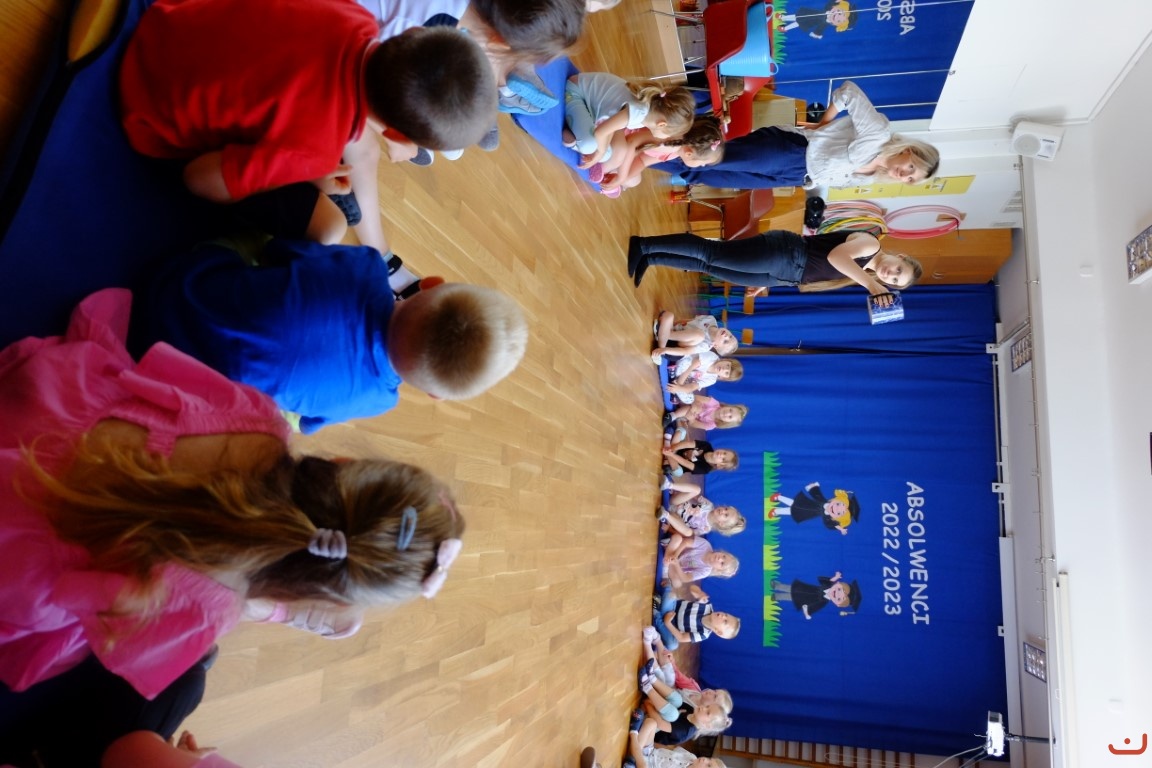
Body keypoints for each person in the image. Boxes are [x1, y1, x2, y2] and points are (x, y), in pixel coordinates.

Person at [0, 288, 467, 705]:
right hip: (14, 568)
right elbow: (117, 630)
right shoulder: (207, 612)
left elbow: (155, 384)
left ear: (344, 466)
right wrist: (280, 610)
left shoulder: (257, 418)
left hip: (44, 406)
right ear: (323, 584)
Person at [118, 0, 497, 274]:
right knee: (329, 228)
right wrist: (297, 173)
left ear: (413, 32)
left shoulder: (355, 15)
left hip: (163, 21)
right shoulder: (313, 151)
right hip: (147, 112)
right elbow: (199, 179)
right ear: (396, 135)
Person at [131, 237, 528, 434]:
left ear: (430, 283)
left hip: (172, 286)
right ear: (433, 394)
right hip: (161, 380)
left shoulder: (366, 267)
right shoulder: (376, 401)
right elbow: (308, 424)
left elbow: (281, 249)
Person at [653, 80, 939, 190]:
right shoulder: (879, 134)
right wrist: (824, 123)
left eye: (910, 179)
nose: (904, 174)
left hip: (793, 176)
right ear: (909, 151)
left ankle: (645, 156)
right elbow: (849, 92)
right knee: (706, 157)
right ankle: (644, 142)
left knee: (704, 175)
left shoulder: (871, 176)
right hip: (791, 151)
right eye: (911, 168)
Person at [629, 230, 923, 305]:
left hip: (785, 273)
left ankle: (651, 258)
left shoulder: (863, 271)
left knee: (709, 265)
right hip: (785, 253)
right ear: (899, 256)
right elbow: (836, 258)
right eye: (898, 270)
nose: (891, 275)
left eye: (895, 281)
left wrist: (767, 283)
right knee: (712, 252)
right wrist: (871, 285)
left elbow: (815, 274)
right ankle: (644, 244)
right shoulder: (871, 245)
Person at [563, 74, 696, 182]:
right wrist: (599, 152)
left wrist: (601, 153)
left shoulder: (646, 114)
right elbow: (600, 132)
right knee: (589, 146)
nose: (666, 137)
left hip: (592, 109)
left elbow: (609, 126)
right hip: (575, 92)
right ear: (662, 124)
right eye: (668, 134)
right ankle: (573, 138)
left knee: (606, 154)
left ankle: (577, 132)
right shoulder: (638, 112)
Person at [597, 115, 726, 198]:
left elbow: (642, 161)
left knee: (634, 181)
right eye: (703, 163)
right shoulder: (668, 140)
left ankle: (607, 172)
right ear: (689, 153)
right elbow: (631, 141)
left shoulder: (675, 151)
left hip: (626, 148)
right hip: (617, 132)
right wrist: (621, 176)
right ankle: (600, 169)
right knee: (619, 158)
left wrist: (624, 177)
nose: (702, 166)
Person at [654, 585, 740, 650]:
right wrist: (699, 593)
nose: (723, 615)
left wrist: (668, 623)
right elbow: (692, 587)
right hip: (672, 608)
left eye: (725, 621)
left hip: (671, 626)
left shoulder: (703, 634)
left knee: (672, 645)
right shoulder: (706, 605)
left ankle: (657, 615)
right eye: (726, 614)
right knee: (671, 595)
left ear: (718, 631)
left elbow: (681, 637)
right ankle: (660, 607)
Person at [769, 482, 859, 535]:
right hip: (806, 504)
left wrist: (841, 529)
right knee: (794, 504)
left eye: (839, 513)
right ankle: (778, 498)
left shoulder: (827, 517)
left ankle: (776, 510)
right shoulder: (824, 502)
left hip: (808, 514)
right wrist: (813, 487)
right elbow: (817, 495)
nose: (836, 509)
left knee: (793, 511)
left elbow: (833, 524)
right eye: (838, 504)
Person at [651, 311, 738, 365]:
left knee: (699, 335)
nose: (727, 336)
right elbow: (689, 321)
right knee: (669, 315)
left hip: (674, 348)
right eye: (730, 336)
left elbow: (685, 351)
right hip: (674, 331)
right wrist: (672, 324)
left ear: (715, 346)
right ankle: (662, 334)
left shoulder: (706, 346)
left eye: (725, 341)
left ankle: (661, 343)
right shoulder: (711, 319)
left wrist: (665, 350)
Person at [771, 572, 862, 618]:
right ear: (838, 583)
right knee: (792, 588)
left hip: (805, 599)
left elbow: (815, 607)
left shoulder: (824, 601)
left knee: (792, 597)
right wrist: (835, 577)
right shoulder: (827, 586)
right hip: (805, 588)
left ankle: (777, 597)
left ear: (837, 604)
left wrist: (807, 613)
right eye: (839, 589)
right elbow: (823, 580)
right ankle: (777, 586)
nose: (836, 593)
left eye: (839, 598)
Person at [662, 533, 739, 587]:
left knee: (677, 583)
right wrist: (675, 556)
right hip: (674, 552)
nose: (720, 558)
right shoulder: (706, 545)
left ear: (718, 570)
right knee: (677, 538)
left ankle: (666, 567)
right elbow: (686, 542)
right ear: (722, 552)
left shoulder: (705, 571)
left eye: (722, 563)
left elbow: (686, 578)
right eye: (724, 556)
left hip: (674, 567)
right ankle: (666, 558)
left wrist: (676, 564)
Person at [657, 497, 746, 538]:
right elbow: (694, 495)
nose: (723, 510)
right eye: (726, 509)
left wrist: (669, 529)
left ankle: (666, 515)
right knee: (696, 489)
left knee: (689, 533)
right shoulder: (709, 505)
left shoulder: (705, 529)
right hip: (677, 504)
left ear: (721, 524)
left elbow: (684, 533)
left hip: (676, 518)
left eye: (726, 515)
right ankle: (669, 485)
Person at [663, 438, 739, 478]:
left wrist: (672, 455)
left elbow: (685, 463)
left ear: (719, 465)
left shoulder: (706, 469)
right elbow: (687, 444)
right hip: (676, 451)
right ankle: (668, 449)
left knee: (678, 472)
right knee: (681, 432)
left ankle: (668, 451)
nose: (721, 454)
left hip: (678, 464)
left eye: (723, 459)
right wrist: (672, 449)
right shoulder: (707, 445)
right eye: (724, 453)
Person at [666, 397, 747, 432]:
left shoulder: (711, 425)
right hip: (688, 402)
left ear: (726, 423)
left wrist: (691, 418)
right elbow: (695, 397)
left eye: (730, 417)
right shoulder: (714, 403)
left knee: (687, 416)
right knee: (694, 408)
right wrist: (694, 406)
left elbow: (693, 424)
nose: (727, 413)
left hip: (688, 416)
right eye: (730, 410)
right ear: (728, 406)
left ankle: (673, 417)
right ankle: (672, 416)